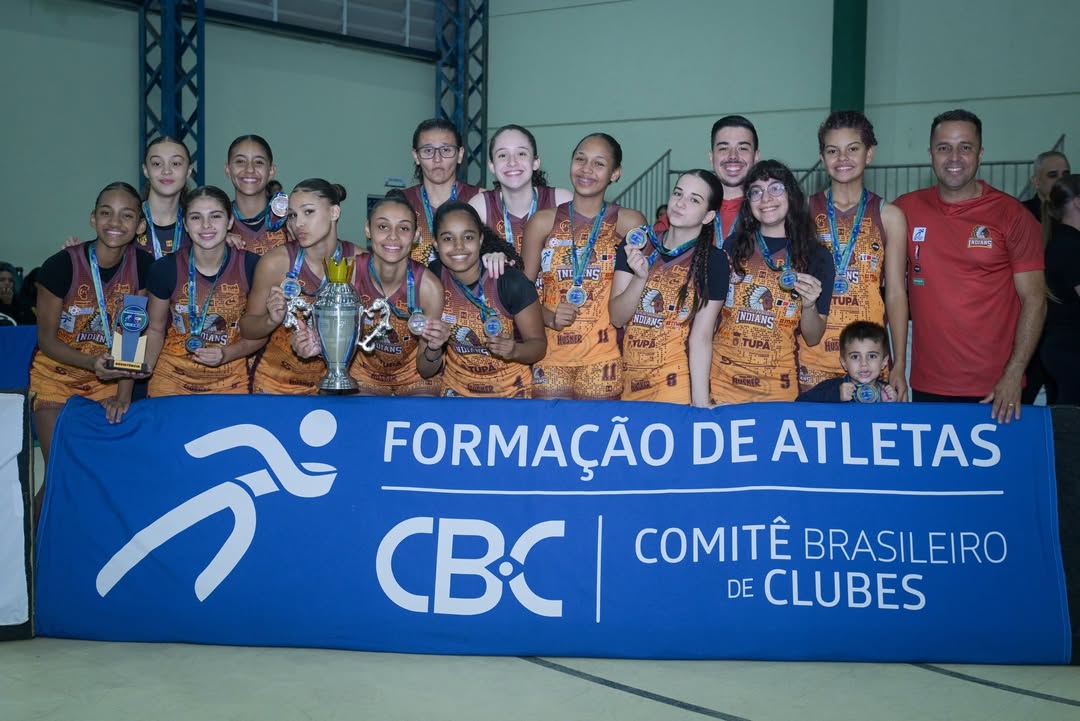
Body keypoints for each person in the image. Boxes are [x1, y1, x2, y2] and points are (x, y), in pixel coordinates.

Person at [893, 109, 1046, 423]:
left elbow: (1035, 300)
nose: (954, 157)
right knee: (934, 474)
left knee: (999, 474)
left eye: (965, 147)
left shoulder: (1013, 216)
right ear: (931, 154)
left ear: (980, 153)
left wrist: (1014, 373)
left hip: (995, 390)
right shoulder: (905, 210)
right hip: (926, 385)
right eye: (944, 147)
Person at [28, 182, 154, 509]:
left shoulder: (142, 267)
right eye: (106, 213)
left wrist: (123, 396)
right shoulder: (60, 266)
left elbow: (131, 337)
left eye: (127, 215)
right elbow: (46, 340)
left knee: (101, 475)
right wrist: (90, 364)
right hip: (57, 378)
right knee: (62, 471)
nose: (115, 222)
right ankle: (32, 549)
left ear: (140, 226)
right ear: (92, 219)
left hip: (107, 385)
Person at [522, 132, 648, 400]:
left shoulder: (629, 223)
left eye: (599, 164)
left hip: (603, 359)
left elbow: (639, 289)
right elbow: (522, 294)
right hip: (551, 356)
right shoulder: (542, 222)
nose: (586, 169)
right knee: (550, 439)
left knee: (596, 440)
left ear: (615, 173)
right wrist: (549, 317)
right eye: (580, 159)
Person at [798, 111, 910, 399]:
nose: (842, 158)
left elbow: (896, 293)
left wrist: (898, 367)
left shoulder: (890, 216)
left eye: (853, 149)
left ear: (869, 154)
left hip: (869, 362)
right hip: (812, 360)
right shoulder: (802, 211)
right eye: (832, 151)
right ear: (822, 158)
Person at [292, 191, 445, 396]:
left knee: (423, 408)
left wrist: (434, 350)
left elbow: (426, 370)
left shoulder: (429, 287)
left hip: (414, 380)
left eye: (404, 228)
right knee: (354, 412)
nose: (393, 236)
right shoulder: (349, 274)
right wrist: (311, 344)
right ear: (367, 230)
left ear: (416, 236)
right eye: (383, 227)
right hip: (362, 378)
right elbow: (330, 341)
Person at [711, 160, 834, 403]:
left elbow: (813, 337)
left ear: (791, 195)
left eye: (776, 188)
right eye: (756, 191)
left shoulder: (816, 255)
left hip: (777, 390)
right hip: (722, 384)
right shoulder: (734, 245)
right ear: (749, 202)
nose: (765, 198)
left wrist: (809, 305)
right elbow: (713, 317)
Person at [609, 170, 730, 406]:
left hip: (676, 385)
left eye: (694, 200)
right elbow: (616, 317)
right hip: (630, 380)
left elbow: (701, 337)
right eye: (678, 193)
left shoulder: (714, 261)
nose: (680, 203)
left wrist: (701, 404)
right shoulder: (638, 242)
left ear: (708, 216)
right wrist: (640, 278)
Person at [143, 186, 266, 396]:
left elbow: (261, 332)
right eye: (196, 217)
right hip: (171, 378)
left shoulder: (252, 266)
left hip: (229, 378)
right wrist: (143, 367)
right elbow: (155, 329)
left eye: (215, 216)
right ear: (185, 224)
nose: (206, 225)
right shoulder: (165, 268)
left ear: (229, 222)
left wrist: (226, 354)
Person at [241, 179, 359, 394]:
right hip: (274, 385)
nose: (298, 224)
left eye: (308, 212)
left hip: (335, 389)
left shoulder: (359, 262)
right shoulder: (275, 263)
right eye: (293, 215)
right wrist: (270, 320)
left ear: (334, 213)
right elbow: (247, 327)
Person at [417, 201, 546, 397]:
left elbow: (538, 347)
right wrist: (433, 348)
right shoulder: (431, 281)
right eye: (447, 238)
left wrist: (514, 351)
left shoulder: (510, 281)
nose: (458, 247)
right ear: (435, 243)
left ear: (480, 240)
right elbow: (425, 370)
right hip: (457, 393)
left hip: (511, 392)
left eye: (468, 237)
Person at [469, 124, 572, 257]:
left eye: (521, 153)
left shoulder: (561, 201)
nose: (512, 162)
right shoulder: (480, 207)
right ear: (492, 166)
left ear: (535, 162)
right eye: (502, 155)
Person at [403, 118, 482, 264]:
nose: (437, 159)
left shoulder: (481, 200)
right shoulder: (401, 203)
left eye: (446, 150)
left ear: (460, 154)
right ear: (416, 156)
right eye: (428, 150)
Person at [1041, 174, 1080, 404]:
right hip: (1070, 349)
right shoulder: (1071, 245)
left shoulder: (1058, 239)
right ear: (1077, 202)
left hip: (1059, 347)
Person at [798, 320, 898, 402]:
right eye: (855, 357)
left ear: (884, 361)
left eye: (872, 356)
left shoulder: (888, 392)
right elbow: (799, 406)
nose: (864, 363)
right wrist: (836, 396)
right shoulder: (831, 388)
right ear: (844, 363)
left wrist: (893, 407)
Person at [224, 134, 289, 256]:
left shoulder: (290, 220)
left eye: (259, 162)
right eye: (240, 161)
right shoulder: (216, 224)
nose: (249, 169)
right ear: (228, 169)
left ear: (271, 171)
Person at [709, 115, 761, 245]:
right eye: (723, 148)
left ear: (756, 156)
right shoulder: (686, 210)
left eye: (743, 148)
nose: (733, 156)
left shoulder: (771, 210)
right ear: (711, 157)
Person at [1022, 150, 1070, 221]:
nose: (1061, 180)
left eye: (1065, 175)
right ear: (1036, 181)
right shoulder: (1022, 212)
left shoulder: (1074, 212)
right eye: (1053, 175)